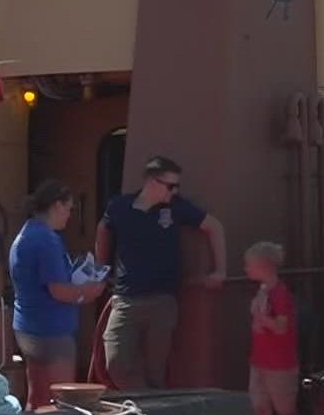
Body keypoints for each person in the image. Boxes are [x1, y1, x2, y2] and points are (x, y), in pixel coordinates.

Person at [94, 156, 227, 390]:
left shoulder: (175, 207)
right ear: (152, 182)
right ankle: (145, 402)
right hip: (125, 301)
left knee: (155, 369)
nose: (175, 191)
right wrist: (100, 269)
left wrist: (220, 270)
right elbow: (103, 229)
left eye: (177, 186)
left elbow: (214, 227)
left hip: (162, 301)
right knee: (115, 361)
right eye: (170, 185)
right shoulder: (120, 207)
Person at [10, 181, 105, 409]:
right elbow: (58, 291)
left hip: (28, 327)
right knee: (61, 401)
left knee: (36, 396)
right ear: (56, 206)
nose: (70, 216)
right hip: (51, 332)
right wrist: (87, 293)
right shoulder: (47, 240)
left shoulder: (27, 233)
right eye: (69, 209)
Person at [244, 241, 313, 415]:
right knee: (260, 410)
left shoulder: (279, 294)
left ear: (264, 266)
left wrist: (260, 319)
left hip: (280, 364)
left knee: (286, 412)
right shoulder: (263, 291)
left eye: (250, 265)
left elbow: (281, 327)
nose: (246, 269)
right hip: (260, 361)